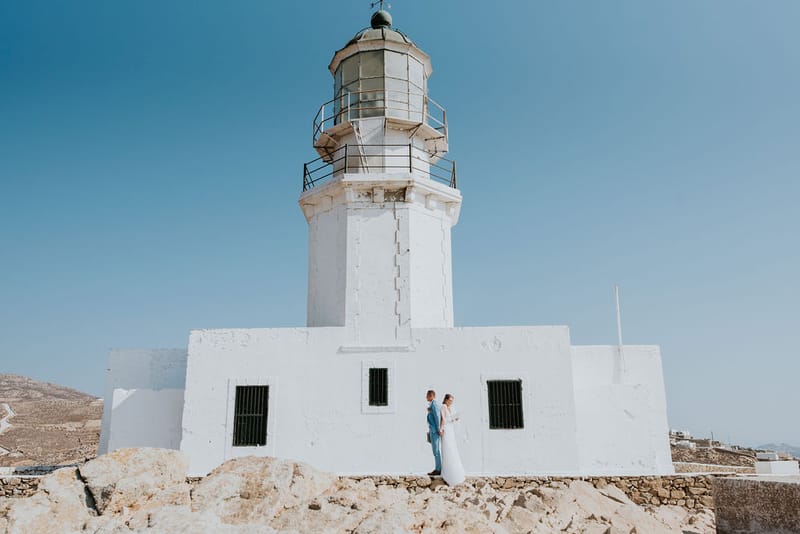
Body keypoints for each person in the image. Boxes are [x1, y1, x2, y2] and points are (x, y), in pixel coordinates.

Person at [439, 393, 465, 485]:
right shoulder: (443, 407)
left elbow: (448, 419)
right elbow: (443, 419)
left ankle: (455, 473)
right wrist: (441, 429)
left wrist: (454, 419)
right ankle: (448, 473)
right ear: (446, 400)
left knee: (452, 448)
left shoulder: (448, 407)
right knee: (448, 449)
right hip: (446, 429)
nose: (451, 402)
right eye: (450, 400)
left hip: (450, 429)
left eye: (452, 401)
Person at [426, 390, 442, 476]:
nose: (426, 397)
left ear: (431, 396)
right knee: (434, 450)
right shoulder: (431, 405)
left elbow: (437, 417)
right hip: (432, 430)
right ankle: (437, 468)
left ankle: (438, 469)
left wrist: (439, 429)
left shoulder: (434, 404)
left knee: (436, 450)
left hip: (435, 431)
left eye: (427, 396)